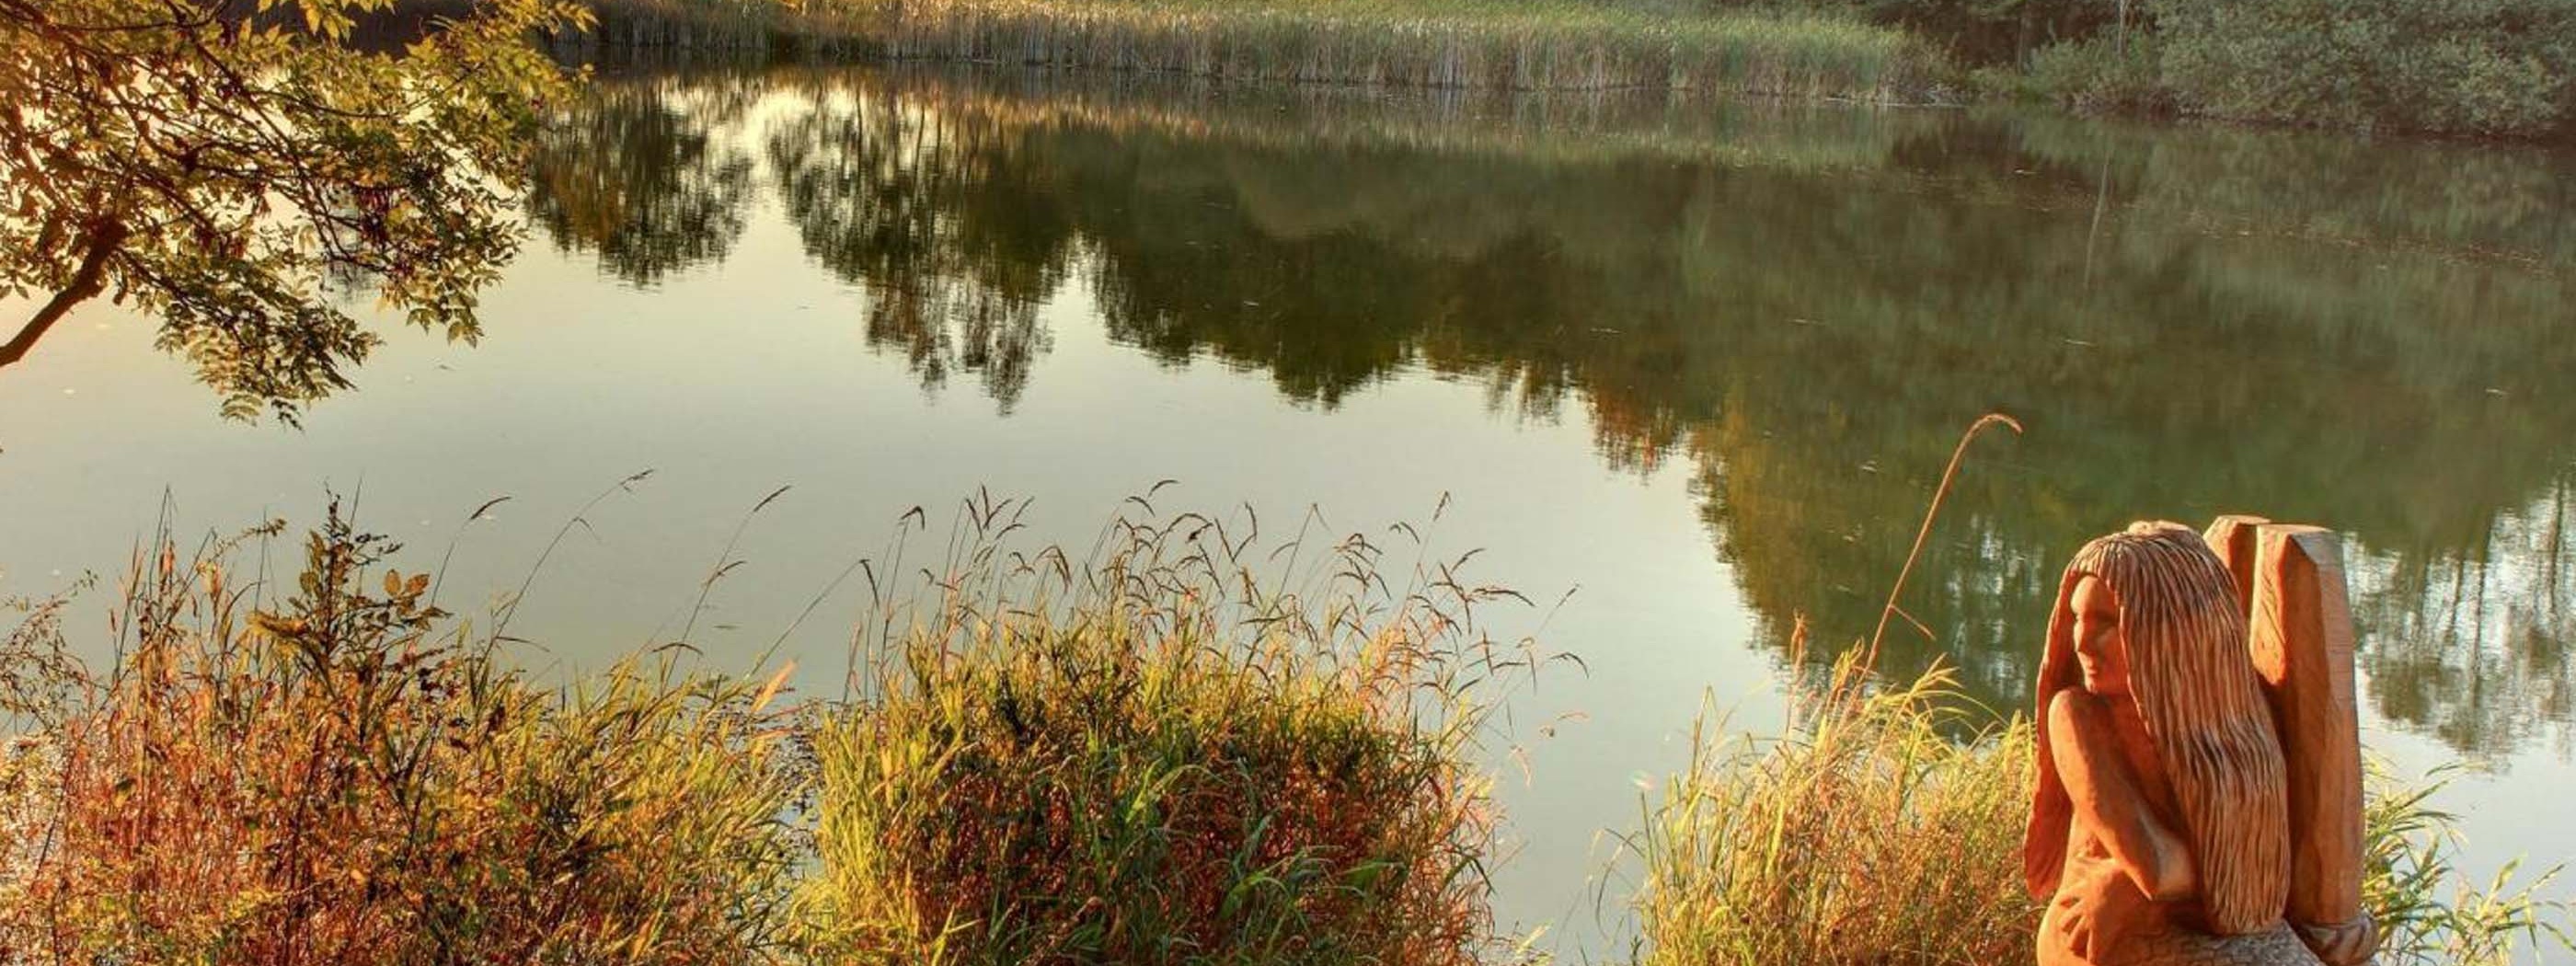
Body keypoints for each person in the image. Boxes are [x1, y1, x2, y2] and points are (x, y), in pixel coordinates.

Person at [2023, 523, 2321, 966]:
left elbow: (2261, 873)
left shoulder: (2241, 711)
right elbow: (2160, 869)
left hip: (2203, 931)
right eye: (2077, 618)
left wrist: (2136, 883)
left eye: (2108, 623)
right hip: (2100, 940)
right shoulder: (2077, 715)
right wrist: (2139, 882)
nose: (2082, 642)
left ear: (2172, 631)